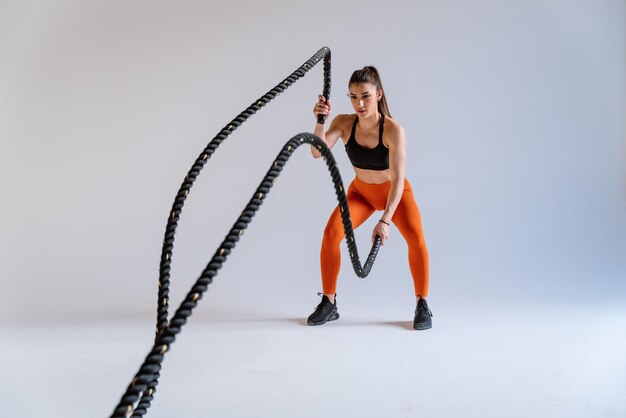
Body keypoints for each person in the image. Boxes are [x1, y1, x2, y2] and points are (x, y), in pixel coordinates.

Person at [307, 66, 433, 330]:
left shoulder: (393, 130)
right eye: (353, 97)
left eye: (365, 96)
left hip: (393, 194)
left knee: (416, 238)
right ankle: (329, 303)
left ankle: (422, 304)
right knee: (331, 233)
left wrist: (385, 220)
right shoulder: (343, 123)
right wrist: (320, 121)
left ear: (379, 95)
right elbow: (317, 153)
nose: (359, 103)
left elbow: (398, 179)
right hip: (361, 194)